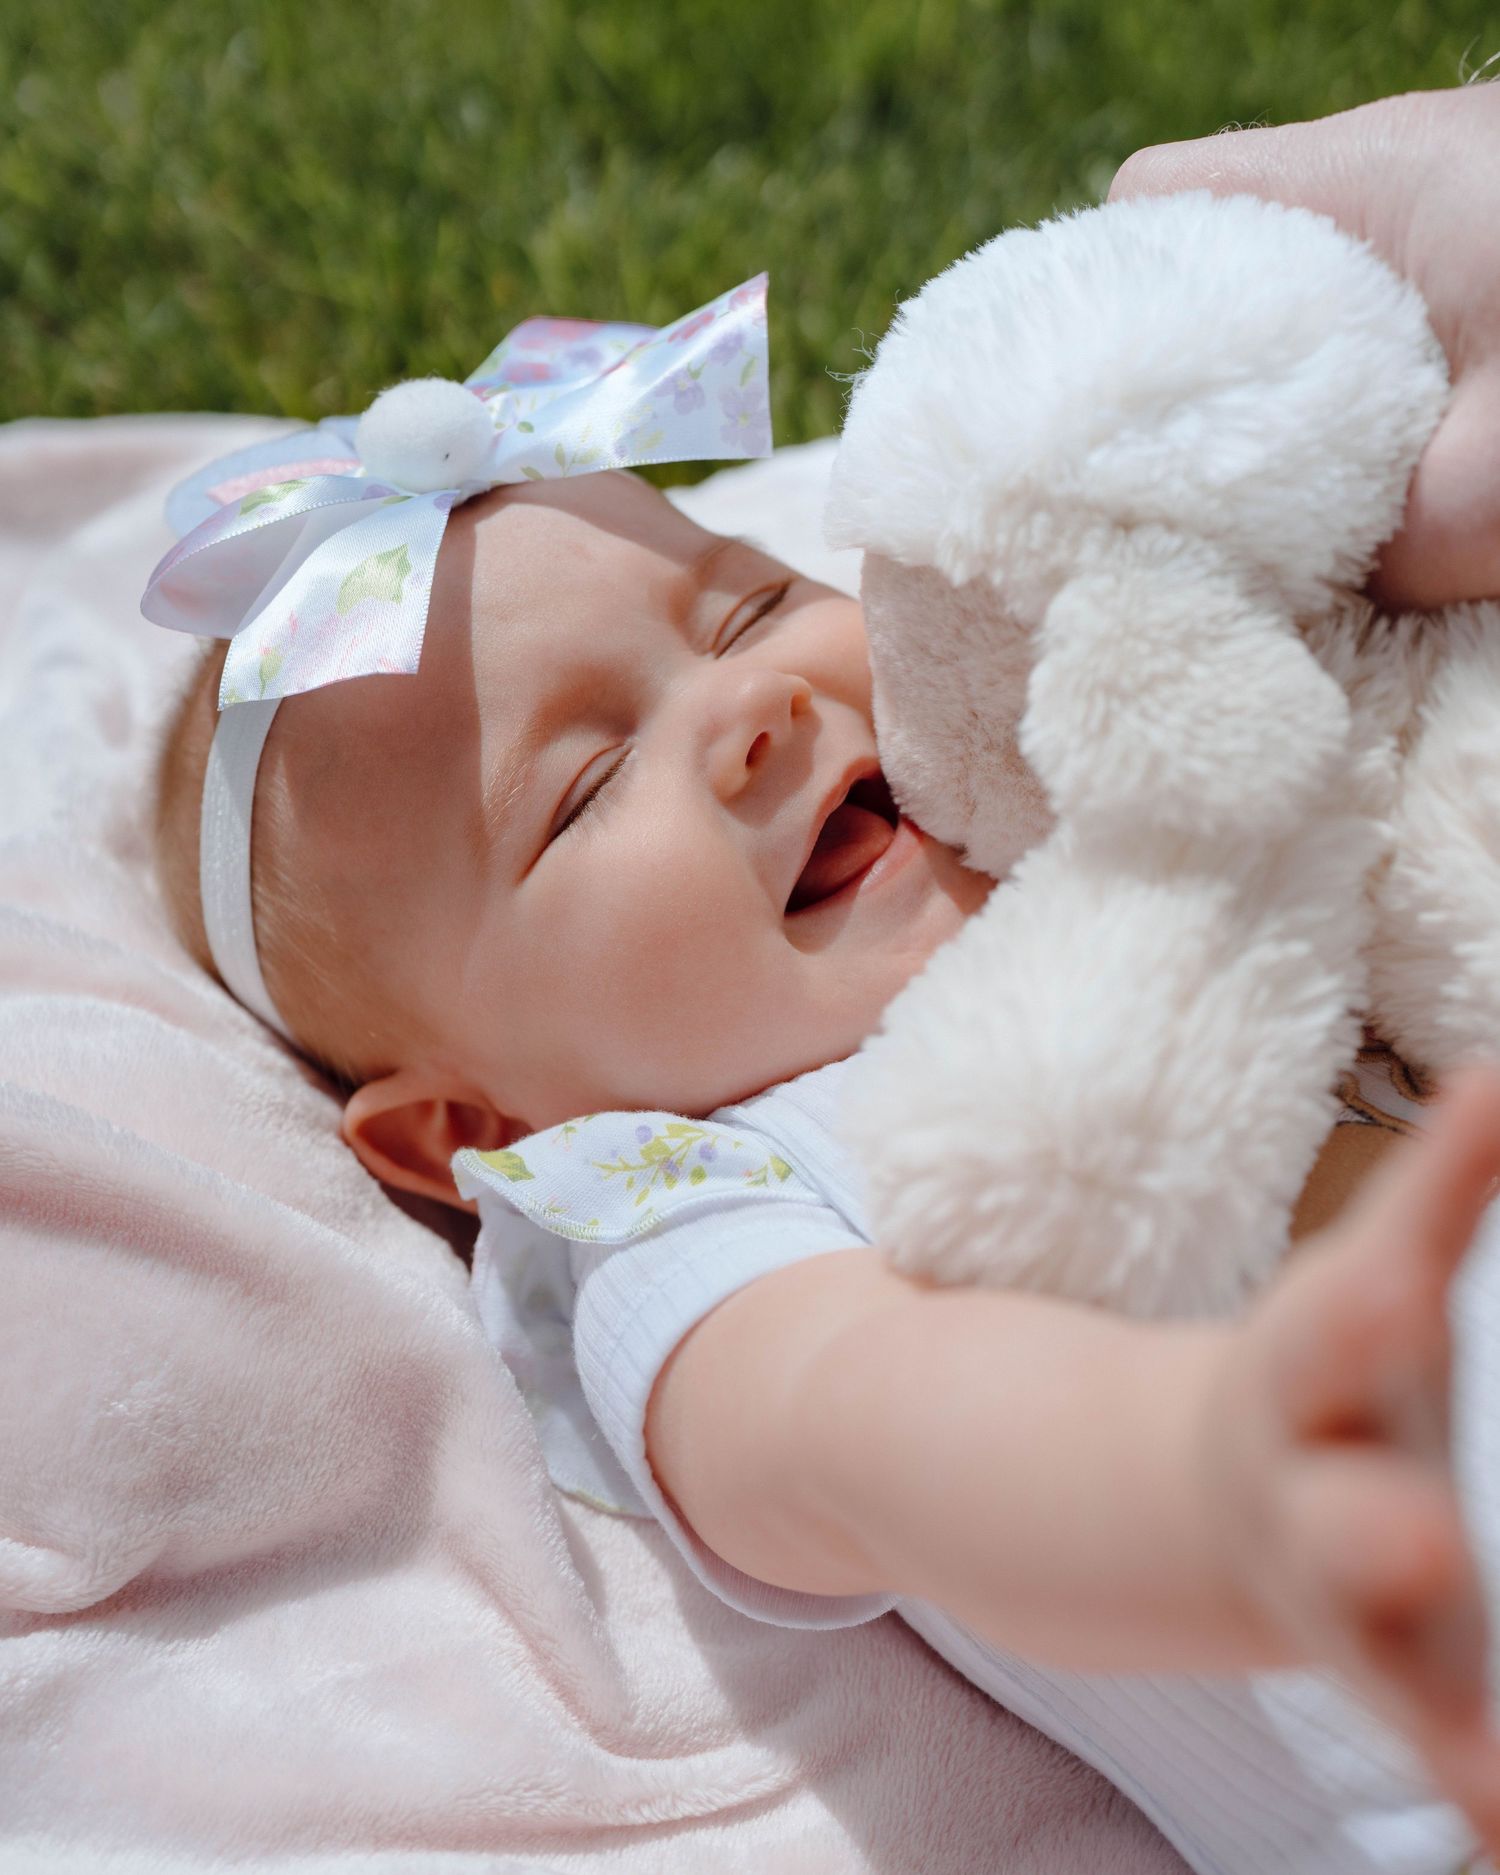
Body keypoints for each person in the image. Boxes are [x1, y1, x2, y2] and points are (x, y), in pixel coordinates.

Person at [149, 83, 1500, 1872]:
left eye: (741, 607)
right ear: (468, 1123)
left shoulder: (1115, 813)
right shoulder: (670, 1197)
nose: (752, 705)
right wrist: (1212, 1480)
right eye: (580, 791)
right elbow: (855, 1433)